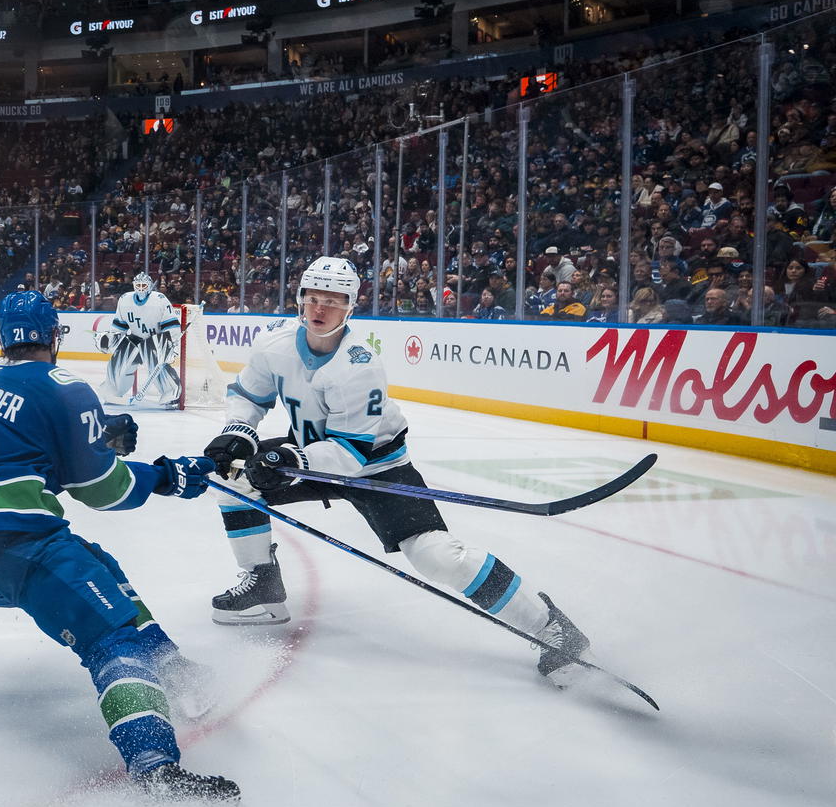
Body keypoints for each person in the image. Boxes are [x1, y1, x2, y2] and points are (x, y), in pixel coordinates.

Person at [202, 256, 593, 688]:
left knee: (438, 556)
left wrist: (291, 462)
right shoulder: (274, 345)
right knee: (231, 477)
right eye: (313, 298)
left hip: (378, 466)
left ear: (349, 306)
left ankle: (552, 628)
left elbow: (350, 455)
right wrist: (239, 433)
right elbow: (248, 396)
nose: (319, 310)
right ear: (299, 298)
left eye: (332, 301)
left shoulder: (359, 365)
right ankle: (262, 583)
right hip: (313, 454)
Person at [0, 290, 238, 803]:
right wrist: (166, 476)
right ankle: (156, 769)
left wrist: (96, 439)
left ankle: (173, 667)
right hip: (25, 543)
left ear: (4, 339)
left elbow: (27, 449)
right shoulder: (65, 386)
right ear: (54, 335)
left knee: (99, 565)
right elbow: (104, 491)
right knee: (114, 641)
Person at [101, 272, 180, 406]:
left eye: (144, 285)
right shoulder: (125, 299)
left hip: (156, 339)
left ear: (149, 286)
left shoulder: (160, 299)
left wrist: (170, 345)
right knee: (119, 358)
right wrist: (112, 339)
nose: (141, 288)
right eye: (138, 285)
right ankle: (113, 390)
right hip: (136, 338)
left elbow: (171, 326)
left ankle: (171, 391)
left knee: (157, 364)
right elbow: (119, 326)